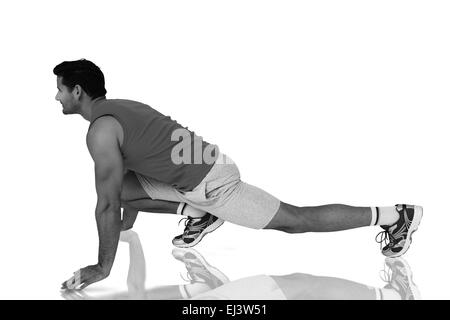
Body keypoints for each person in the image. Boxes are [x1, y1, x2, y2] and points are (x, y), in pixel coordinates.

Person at [55, 59, 423, 290]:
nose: (57, 98)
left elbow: (105, 204)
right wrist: (126, 222)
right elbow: (124, 178)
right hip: (199, 170)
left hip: (213, 183)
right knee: (120, 189)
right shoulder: (123, 109)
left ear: (77, 90)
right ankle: (199, 215)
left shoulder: (101, 131)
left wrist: (102, 267)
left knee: (295, 221)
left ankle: (394, 216)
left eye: (60, 90)